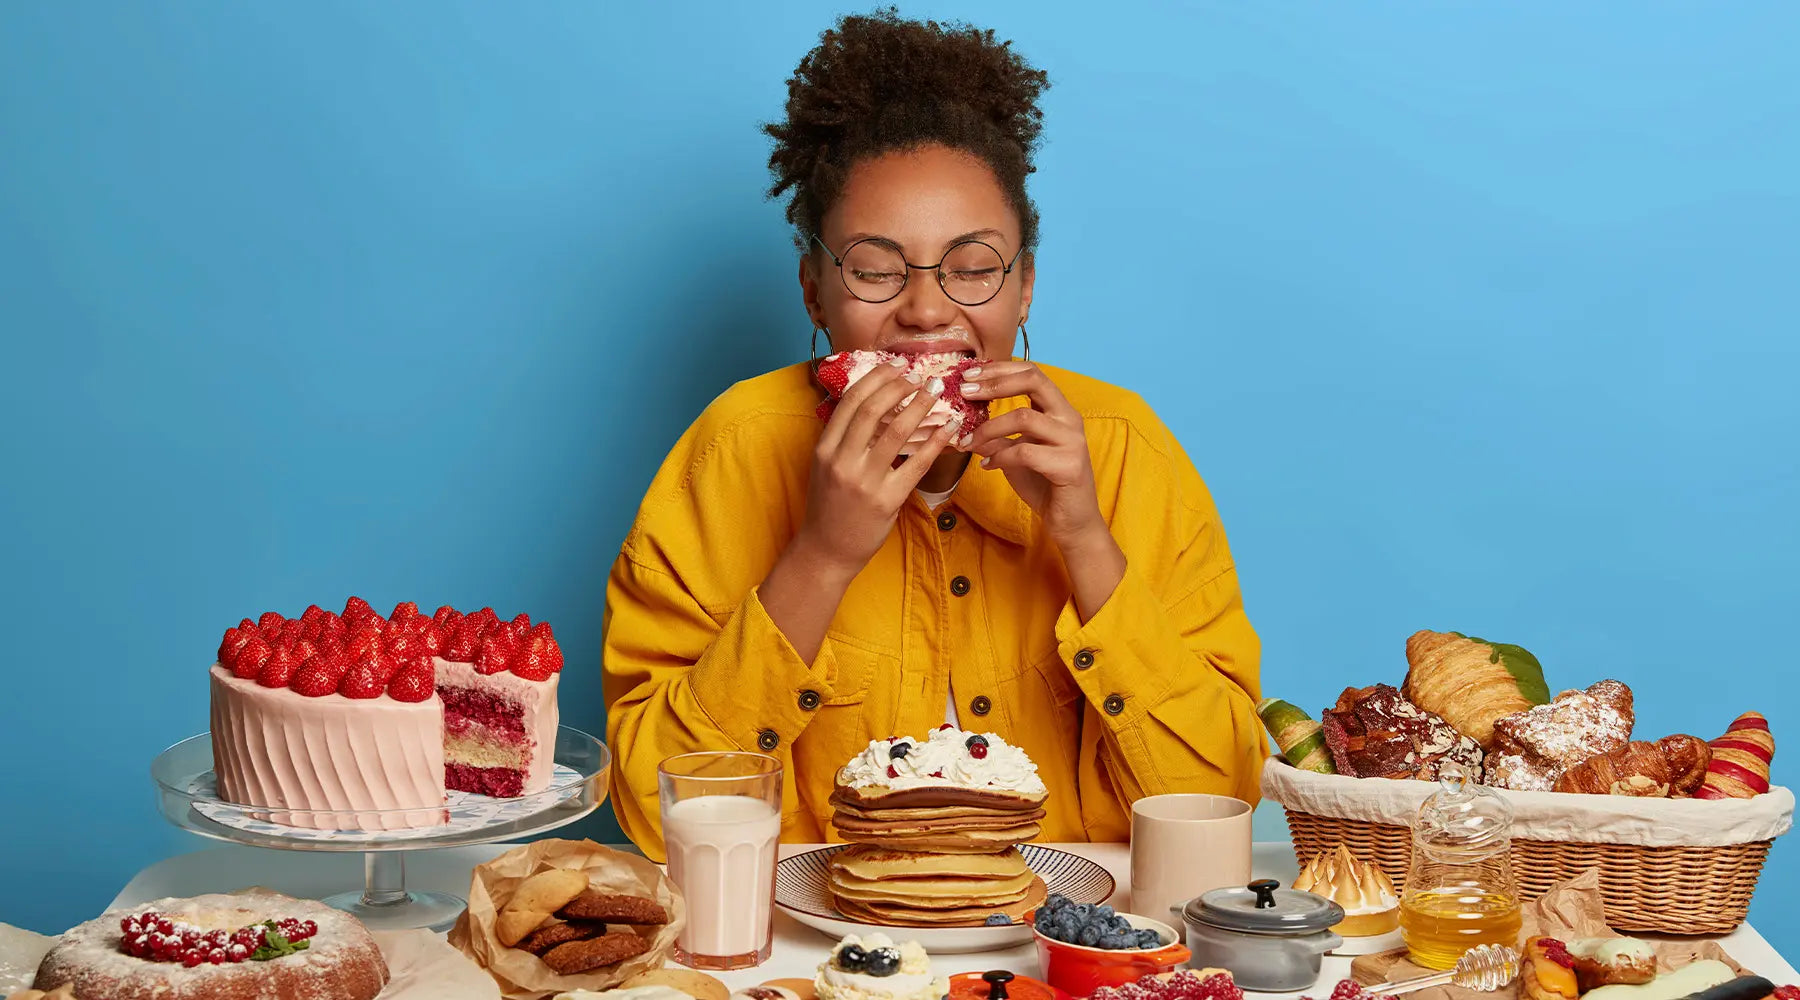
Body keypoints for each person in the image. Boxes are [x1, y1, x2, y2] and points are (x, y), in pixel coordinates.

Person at [602, 9, 1264, 857]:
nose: (924, 308)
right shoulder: (733, 449)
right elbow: (658, 817)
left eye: (974, 268)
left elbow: (1217, 808)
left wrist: (1085, 539)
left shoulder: (1127, 447)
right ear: (814, 292)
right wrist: (823, 556)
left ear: (1023, 287)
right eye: (875, 269)